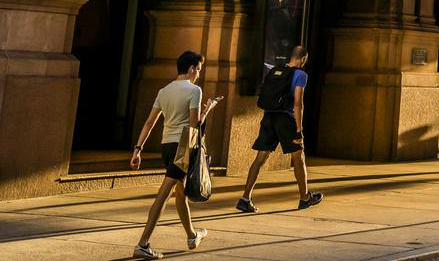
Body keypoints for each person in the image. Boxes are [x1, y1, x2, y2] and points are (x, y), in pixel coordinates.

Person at [130, 50, 221, 259]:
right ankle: (143, 244)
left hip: (167, 146)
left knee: (180, 193)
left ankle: (192, 235)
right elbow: (193, 126)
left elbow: (149, 123)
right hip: (183, 147)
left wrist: (138, 149)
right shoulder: (194, 90)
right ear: (191, 69)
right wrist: (208, 110)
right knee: (164, 193)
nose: (198, 74)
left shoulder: (164, 91)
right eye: (198, 70)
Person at [237, 46, 321, 214]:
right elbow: (298, 103)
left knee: (260, 158)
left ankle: (245, 198)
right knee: (299, 157)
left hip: (269, 117)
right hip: (286, 120)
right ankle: (304, 198)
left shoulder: (276, 70)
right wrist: (299, 128)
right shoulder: (301, 75)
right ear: (302, 59)